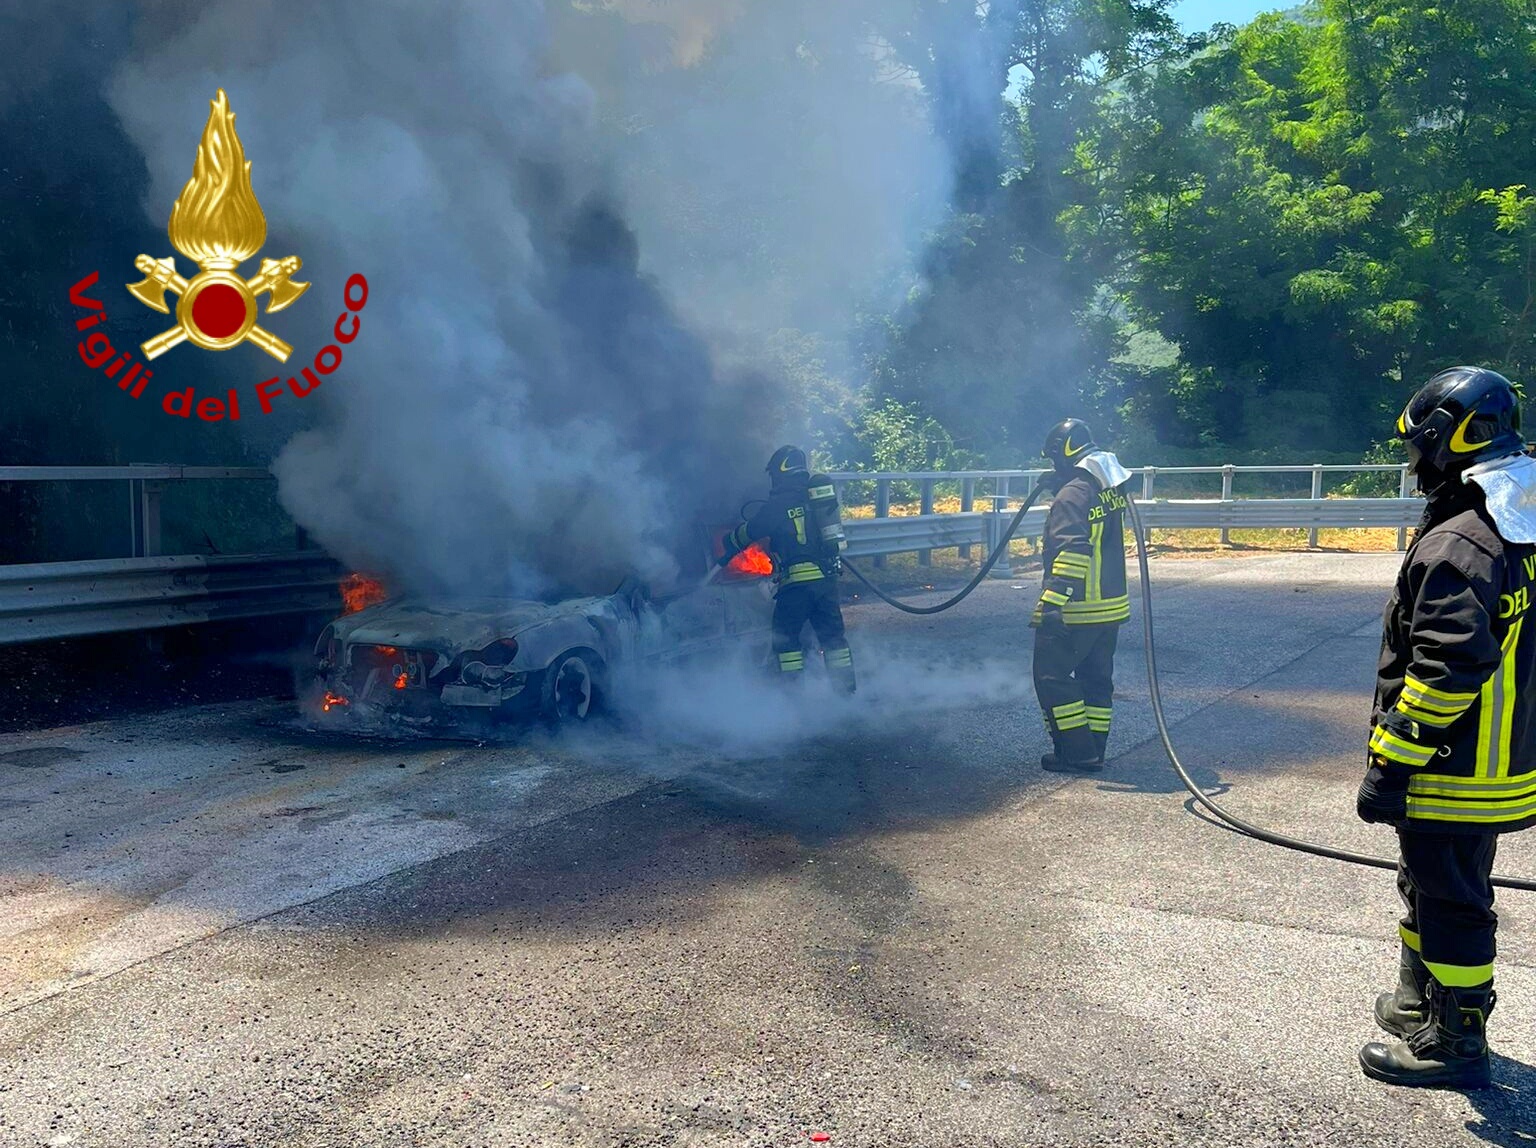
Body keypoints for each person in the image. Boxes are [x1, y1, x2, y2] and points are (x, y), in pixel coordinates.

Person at [1356, 366, 1536, 1089]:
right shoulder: (1514, 521)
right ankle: (1417, 1003)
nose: (1411, 463)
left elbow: (1445, 668)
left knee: (1452, 898)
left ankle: (1455, 1042)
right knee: (1429, 884)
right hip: (1496, 764)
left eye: (1414, 448)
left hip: (1451, 769)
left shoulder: (1460, 543)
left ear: (1443, 441)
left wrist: (1391, 763)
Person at [1031, 419, 1132, 772]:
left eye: (1053, 459)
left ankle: (1075, 752)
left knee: (1051, 678)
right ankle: (1095, 749)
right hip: (1110, 607)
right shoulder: (1108, 485)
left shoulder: (1071, 495)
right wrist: (1063, 484)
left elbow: (1073, 551)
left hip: (1079, 608)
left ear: (1063, 454)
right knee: (1096, 680)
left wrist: (1053, 605)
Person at [719, 446, 855, 694]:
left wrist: (729, 542)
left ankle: (793, 695)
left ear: (780, 472)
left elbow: (751, 530)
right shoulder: (815, 498)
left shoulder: (777, 504)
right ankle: (845, 693)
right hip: (826, 584)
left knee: (786, 641)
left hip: (796, 587)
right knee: (834, 640)